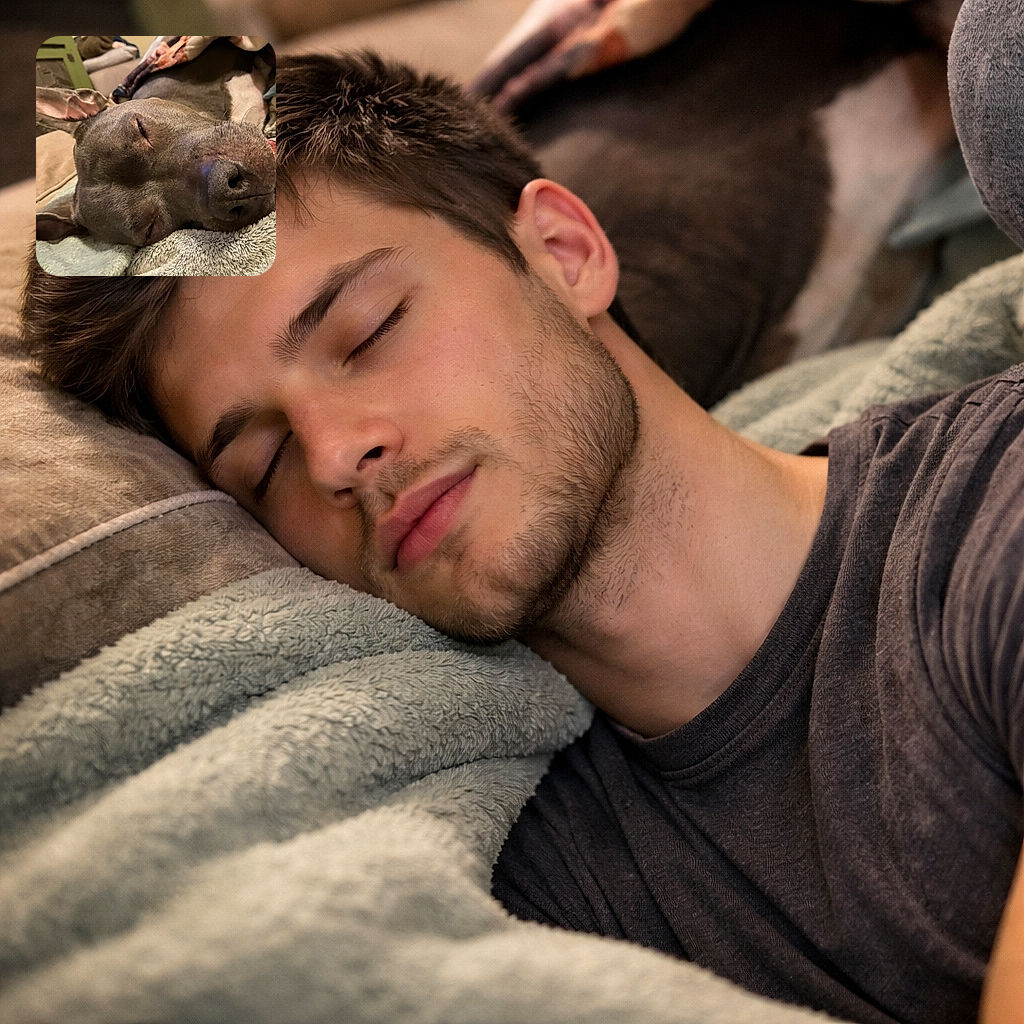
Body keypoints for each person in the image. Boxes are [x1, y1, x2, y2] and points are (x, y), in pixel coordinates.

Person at [20, 49, 1024, 1024]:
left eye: (366, 329)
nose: (331, 456)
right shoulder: (507, 864)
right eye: (264, 465)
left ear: (564, 252)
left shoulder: (992, 498)